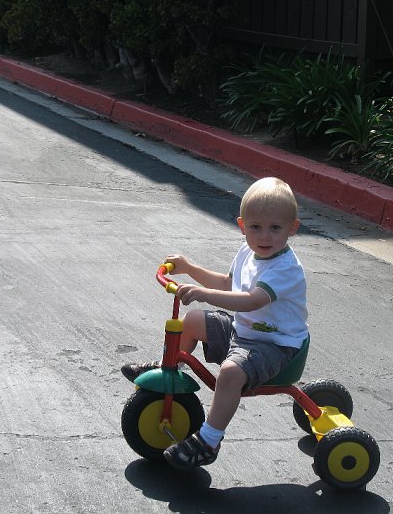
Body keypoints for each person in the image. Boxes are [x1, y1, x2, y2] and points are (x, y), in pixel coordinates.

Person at [121, 177, 309, 469]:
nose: (264, 236)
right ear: (242, 225)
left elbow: (251, 301)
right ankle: (168, 369)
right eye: (255, 227)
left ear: (292, 228)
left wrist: (205, 295)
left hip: (276, 346)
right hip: (244, 332)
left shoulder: (285, 268)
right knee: (192, 321)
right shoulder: (249, 252)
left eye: (275, 227)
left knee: (230, 373)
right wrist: (190, 269)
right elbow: (227, 283)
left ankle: (208, 440)